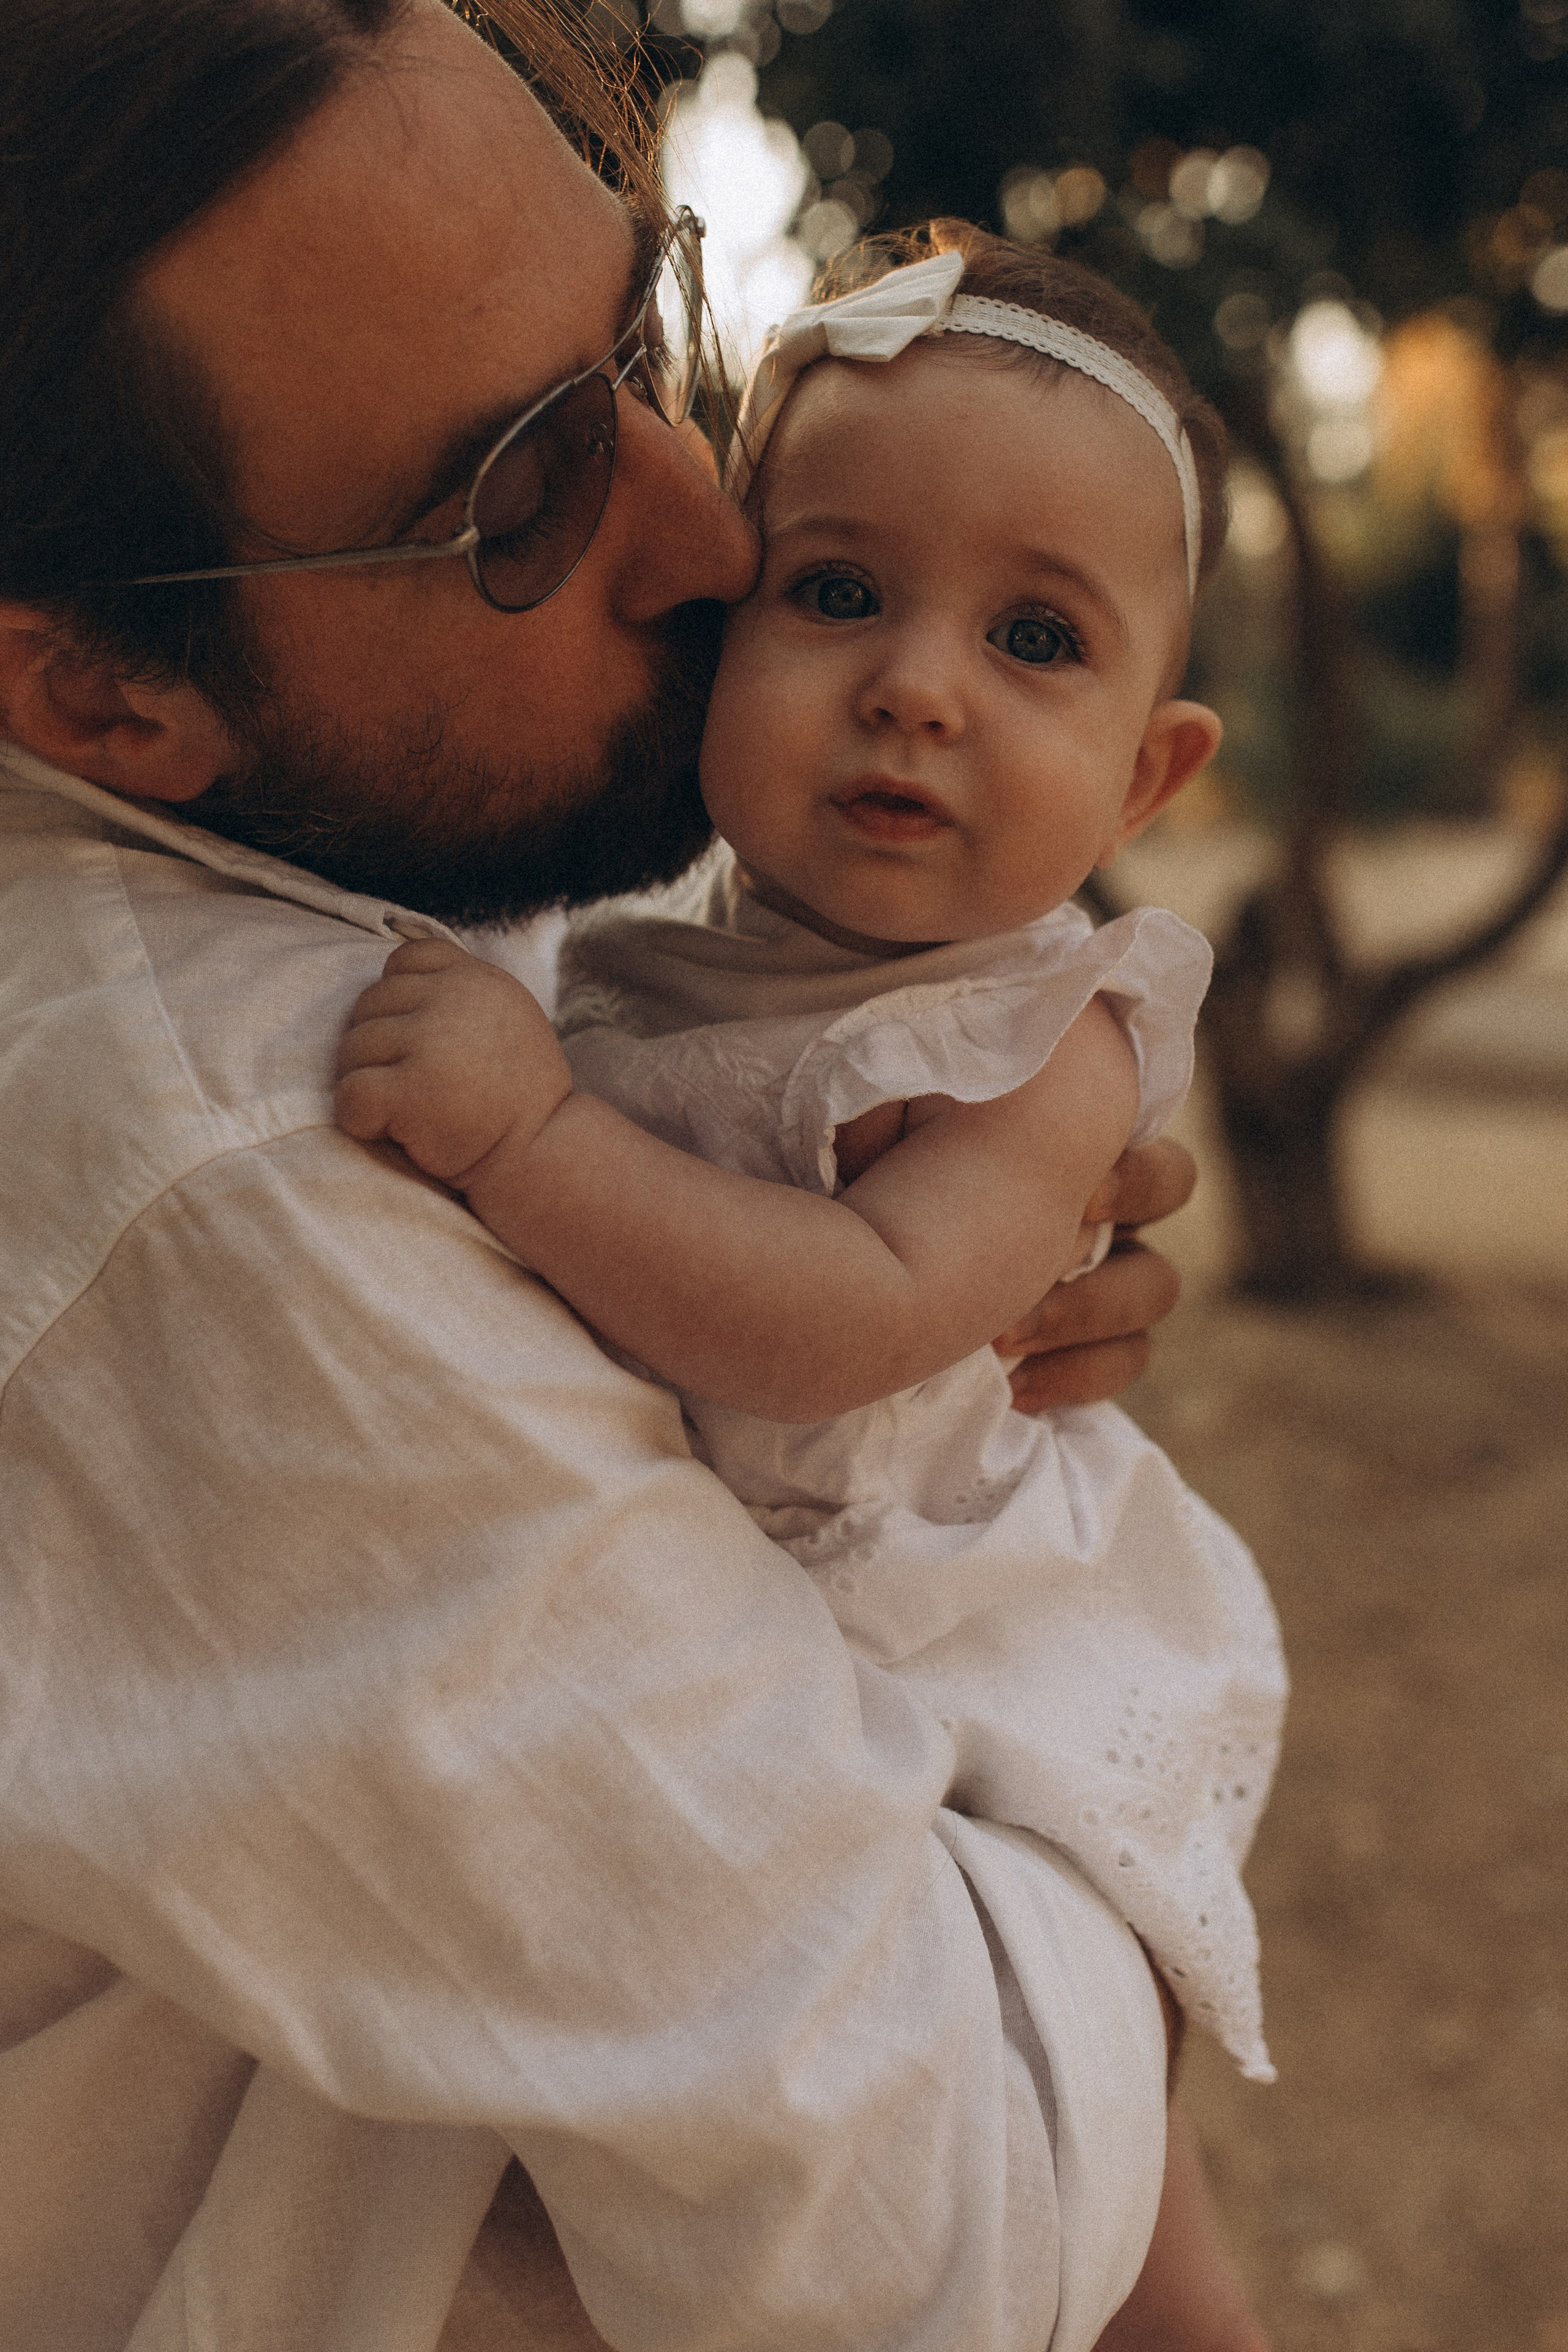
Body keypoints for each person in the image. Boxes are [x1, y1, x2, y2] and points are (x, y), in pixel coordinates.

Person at [0, 2, 1224, 2346]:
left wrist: (936, 1296)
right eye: (524, 493)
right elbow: (944, 2234)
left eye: (645, 332)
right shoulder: (236, 1146)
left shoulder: (375, 844)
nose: (705, 522)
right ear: (98, 698)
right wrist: (1131, 1904)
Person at [335, 225, 1287, 2348]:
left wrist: (532, 1146)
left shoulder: (1053, 1043)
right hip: (757, 1650)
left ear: (1146, 776)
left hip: (965, 1648)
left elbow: (857, 1309)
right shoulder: (627, 949)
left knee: (1131, 2202)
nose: (916, 683)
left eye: (1037, 636)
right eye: (837, 592)